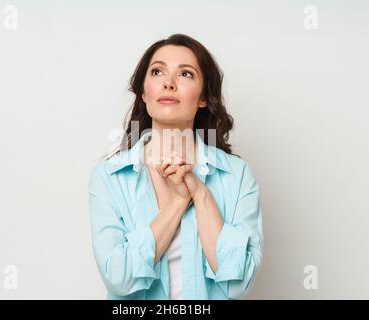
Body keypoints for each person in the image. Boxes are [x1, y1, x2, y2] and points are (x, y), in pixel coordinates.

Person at [89, 33, 263, 300]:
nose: (168, 83)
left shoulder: (236, 176)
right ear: (144, 93)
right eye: (158, 72)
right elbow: (119, 280)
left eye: (186, 74)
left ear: (204, 97)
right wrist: (178, 202)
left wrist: (199, 192)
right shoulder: (110, 177)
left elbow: (238, 283)